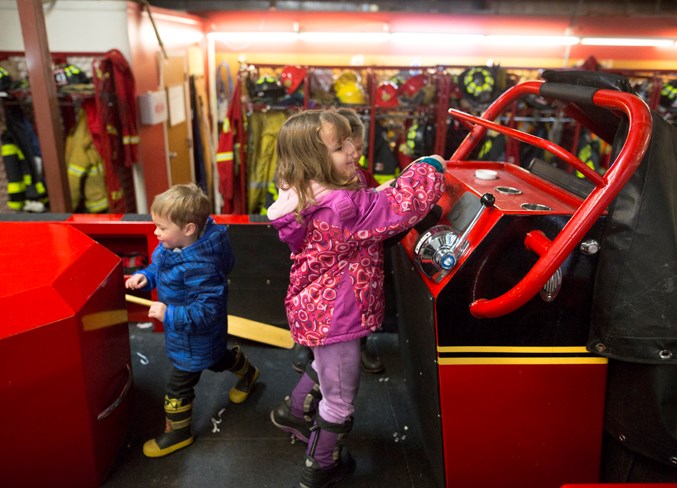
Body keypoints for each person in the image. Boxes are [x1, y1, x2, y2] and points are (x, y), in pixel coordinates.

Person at [266, 109, 445, 487]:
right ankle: (322, 464)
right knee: (340, 398)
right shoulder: (343, 209)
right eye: (340, 146)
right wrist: (428, 168)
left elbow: (368, 200)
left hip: (319, 309)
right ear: (313, 160)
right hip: (338, 316)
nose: (353, 151)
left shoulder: (307, 192)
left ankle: (295, 410)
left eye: (350, 141)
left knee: (324, 366)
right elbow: (400, 208)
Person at [125, 183, 259, 458]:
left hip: (193, 337)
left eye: (161, 227)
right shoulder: (176, 246)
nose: (155, 231)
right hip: (192, 336)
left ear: (188, 229)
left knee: (179, 385)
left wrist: (168, 314)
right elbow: (161, 267)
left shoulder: (202, 267)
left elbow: (207, 312)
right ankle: (248, 374)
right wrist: (146, 276)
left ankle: (178, 434)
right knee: (218, 359)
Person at [289, 107, 385, 375]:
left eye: (358, 147)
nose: (356, 153)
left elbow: (378, 201)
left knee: (348, 311)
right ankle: (309, 353)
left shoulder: (362, 176)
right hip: (337, 274)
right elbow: (384, 212)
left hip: (353, 270)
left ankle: (353, 346)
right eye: (347, 148)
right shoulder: (316, 191)